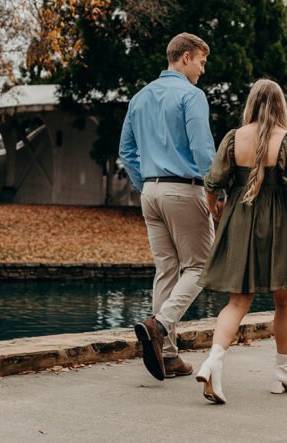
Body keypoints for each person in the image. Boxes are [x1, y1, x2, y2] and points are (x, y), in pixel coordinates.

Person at [194, 79, 287, 404]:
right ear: (281, 105)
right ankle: (282, 372)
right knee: (285, 302)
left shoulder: (234, 138)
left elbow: (212, 182)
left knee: (238, 302)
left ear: (251, 103)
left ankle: (214, 360)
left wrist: (215, 207)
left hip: (240, 220)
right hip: (281, 224)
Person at [119, 33, 220, 382]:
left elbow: (126, 151)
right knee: (200, 267)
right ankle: (159, 326)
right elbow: (204, 151)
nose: (203, 71)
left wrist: (143, 184)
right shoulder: (191, 96)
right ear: (186, 57)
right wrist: (216, 195)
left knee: (166, 270)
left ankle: (168, 354)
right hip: (184, 190)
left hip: (150, 192)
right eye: (202, 63)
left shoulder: (140, 97)